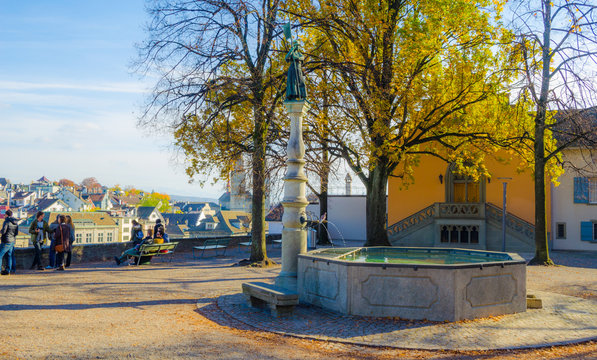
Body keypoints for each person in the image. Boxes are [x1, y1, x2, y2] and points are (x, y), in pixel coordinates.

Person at [0, 210, 19, 275]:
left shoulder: (7, 221)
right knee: (9, 255)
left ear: (7, 215)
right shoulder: (16, 222)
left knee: (0, 255)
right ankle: (8, 270)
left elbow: (3, 231)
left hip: (6, 241)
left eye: (4, 215)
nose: (4, 216)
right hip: (12, 241)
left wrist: (1, 231)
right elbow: (16, 233)